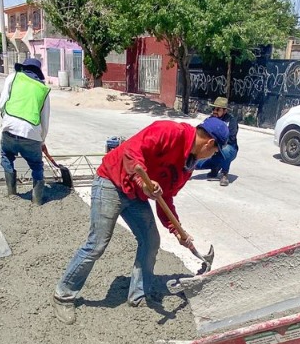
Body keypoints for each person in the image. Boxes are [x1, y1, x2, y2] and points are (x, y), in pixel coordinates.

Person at [53, 116, 229, 322]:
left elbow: (166, 198)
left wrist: (177, 229)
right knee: (97, 244)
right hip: (111, 181)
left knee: (151, 241)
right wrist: (142, 181)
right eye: (215, 151)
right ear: (209, 143)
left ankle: (137, 296)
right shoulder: (170, 131)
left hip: (135, 196)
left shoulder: (187, 166)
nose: (212, 155)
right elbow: (131, 151)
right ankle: (63, 295)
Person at [0, 56, 52, 206]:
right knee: (36, 165)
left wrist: (5, 120)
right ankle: (37, 200)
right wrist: (42, 140)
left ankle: (11, 193)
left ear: (23, 68)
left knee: (6, 156)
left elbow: (2, 102)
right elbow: (45, 118)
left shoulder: (13, 77)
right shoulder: (43, 89)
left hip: (9, 127)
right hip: (32, 133)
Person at [193, 97, 239, 185]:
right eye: (213, 108)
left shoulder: (231, 121)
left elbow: (230, 138)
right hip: (212, 148)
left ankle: (224, 173)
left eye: (218, 109)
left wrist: (215, 145)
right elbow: (200, 132)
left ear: (225, 111)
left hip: (228, 148)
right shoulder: (210, 119)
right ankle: (215, 167)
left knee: (225, 151)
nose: (214, 111)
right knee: (196, 164)